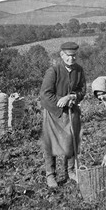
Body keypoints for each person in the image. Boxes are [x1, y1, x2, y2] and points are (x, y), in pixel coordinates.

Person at [39, 42, 86, 188]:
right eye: (68, 56)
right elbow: (45, 94)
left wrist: (72, 97)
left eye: (74, 56)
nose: (71, 59)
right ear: (62, 55)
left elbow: (82, 90)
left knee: (72, 141)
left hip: (71, 112)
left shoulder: (79, 70)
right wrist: (61, 100)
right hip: (54, 112)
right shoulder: (53, 71)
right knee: (51, 143)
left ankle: (71, 171)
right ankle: (51, 175)